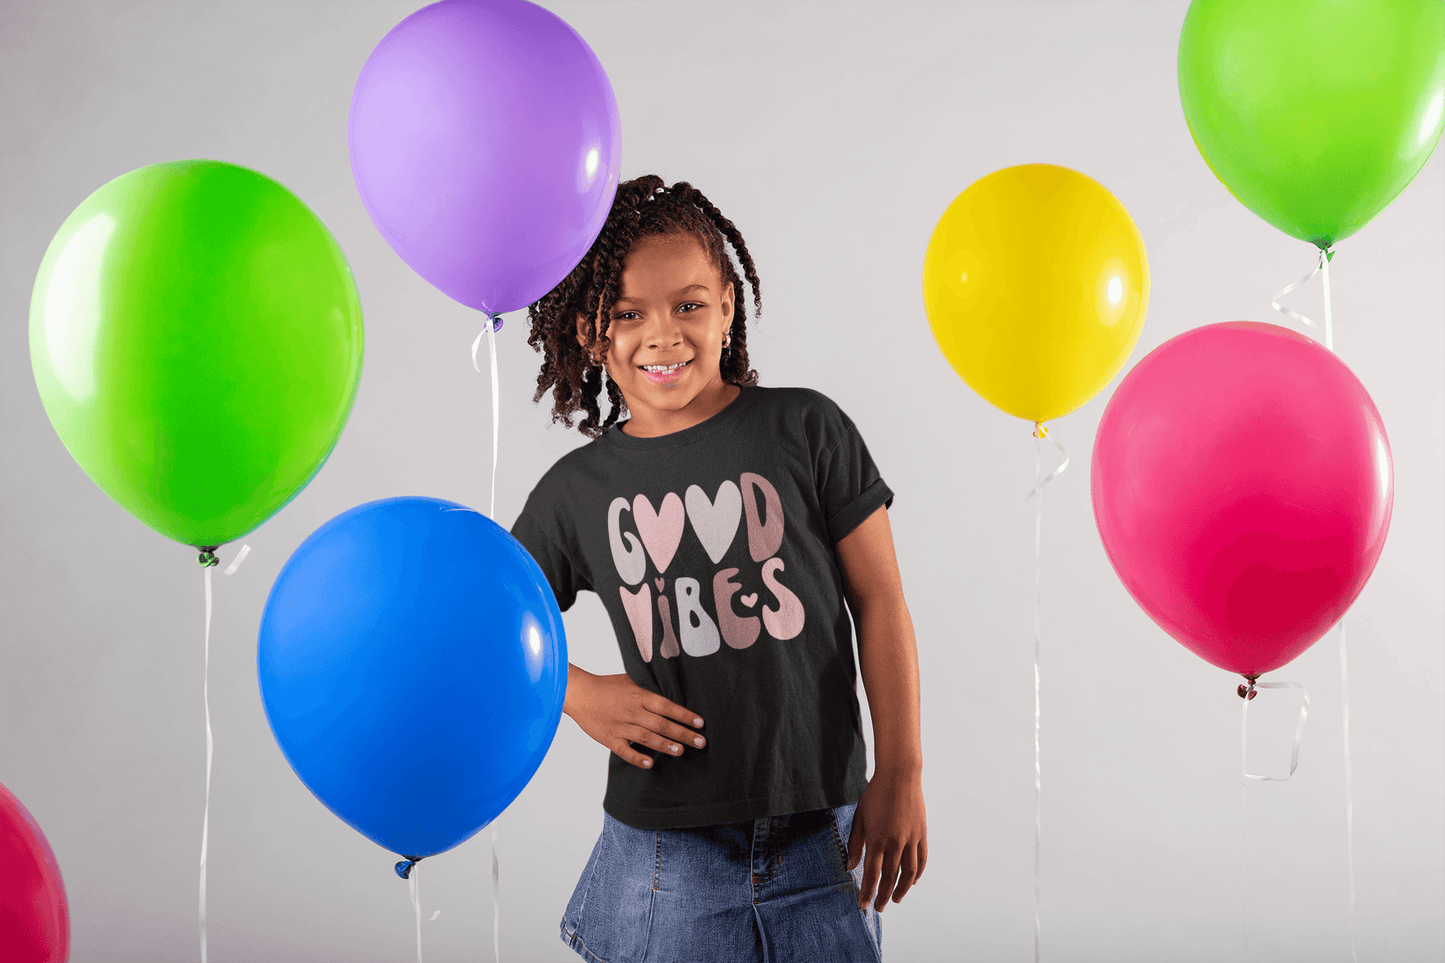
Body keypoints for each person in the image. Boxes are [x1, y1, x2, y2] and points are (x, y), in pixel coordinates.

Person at [510, 173, 925, 963]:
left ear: (729, 304)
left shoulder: (807, 428)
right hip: (666, 854)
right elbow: (489, 626)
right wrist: (578, 693)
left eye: (688, 305)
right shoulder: (575, 490)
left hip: (822, 837)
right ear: (592, 333)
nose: (661, 336)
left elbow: (880, 600)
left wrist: (900, 770)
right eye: (627, 314)